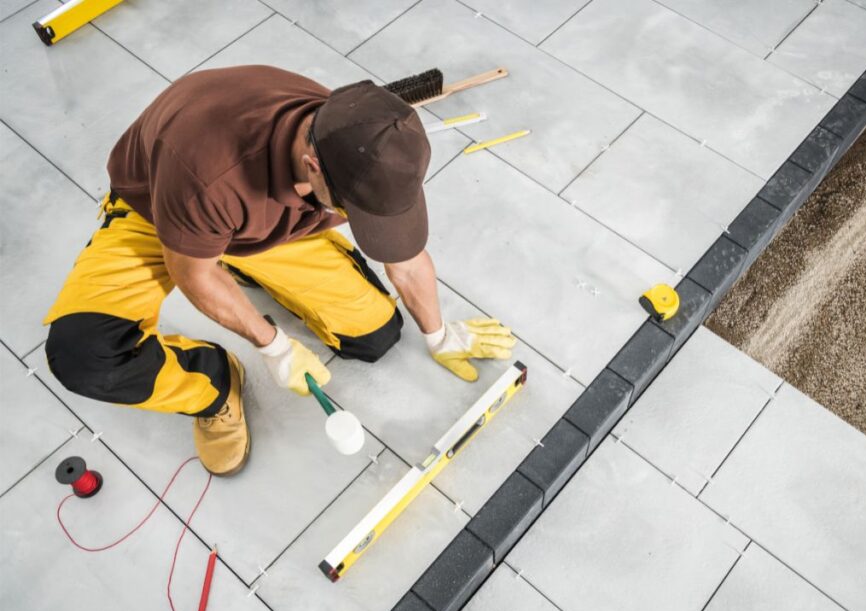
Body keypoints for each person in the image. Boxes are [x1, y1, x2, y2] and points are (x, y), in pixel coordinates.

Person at [43, 65, 516, 476]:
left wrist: (438, 335)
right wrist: (274, 347)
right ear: (312, 167)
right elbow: (195, 276)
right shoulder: (205, 175)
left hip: (262, 226)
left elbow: (406, 260)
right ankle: (211, 384)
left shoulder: (362, 139)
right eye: (355, 214)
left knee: (373, 337)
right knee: (86, 356)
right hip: (163, 215)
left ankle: (247, 264)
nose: (361, 222)